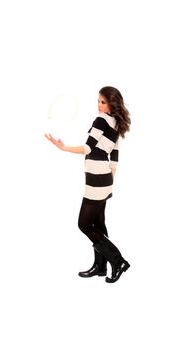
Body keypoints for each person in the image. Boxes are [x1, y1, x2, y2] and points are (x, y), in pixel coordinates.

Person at [45, 86, 131, 283]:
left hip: (96, 178)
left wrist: (63, 148)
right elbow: (115, 153)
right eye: (98, 101)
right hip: (105, 179)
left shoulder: (101, 120)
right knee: (98, 223)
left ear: (112, 103)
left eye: (103, 102)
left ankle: (118, 261)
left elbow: (88, 148)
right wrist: (110, 176)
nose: (99, 105)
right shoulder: (116, 122)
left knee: (84, 224)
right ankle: (100, 266)